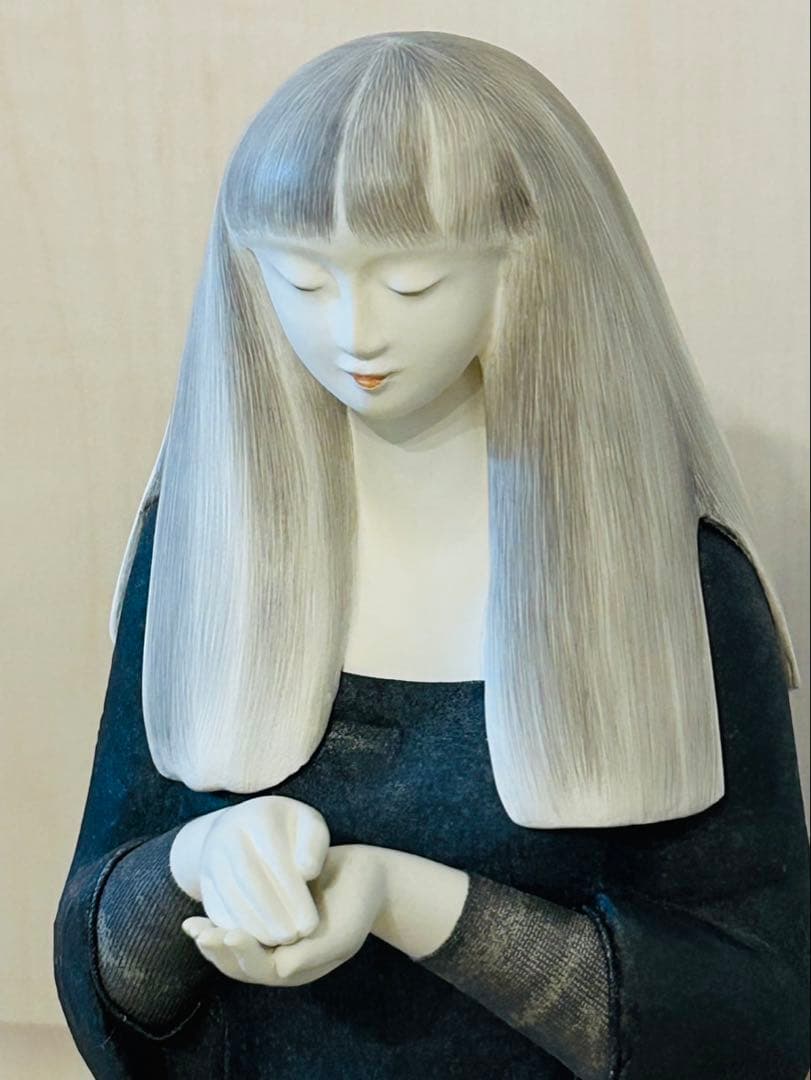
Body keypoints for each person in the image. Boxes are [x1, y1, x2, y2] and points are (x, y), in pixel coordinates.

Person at [54, 30, 810, 1079]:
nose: (354, 333)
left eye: (410, 284)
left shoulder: (674, 585)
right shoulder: (200, 550)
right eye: (302, 282)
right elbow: (105, 968)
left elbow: (752, 1008)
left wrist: (410, 902)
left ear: (531, 261)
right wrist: (191, 864)